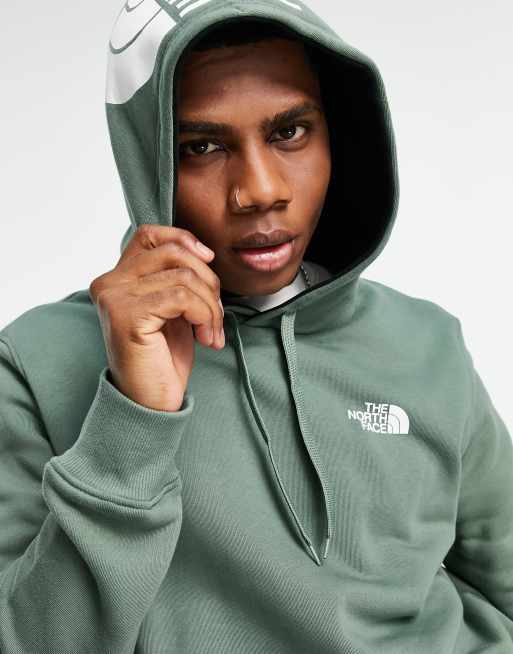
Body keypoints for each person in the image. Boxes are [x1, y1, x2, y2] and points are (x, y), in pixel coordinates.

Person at [0, 1, 511, 652]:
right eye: (202, 147)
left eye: (290, 132)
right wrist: (134, 417)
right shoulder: (35, 362)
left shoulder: (428, 343)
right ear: (146, 161)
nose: (260, 190)